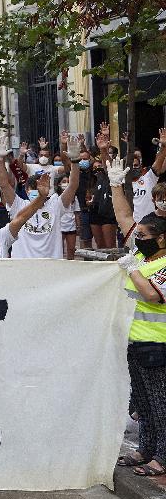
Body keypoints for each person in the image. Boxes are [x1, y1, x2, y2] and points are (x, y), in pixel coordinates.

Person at [108, 154, 166, 477]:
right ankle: (146, 449)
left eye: (144, 237)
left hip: (159, 347)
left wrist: (131, 270)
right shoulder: (142, 261)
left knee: (161, 405)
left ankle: (163, 456)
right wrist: (115, 184)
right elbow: (124, 218)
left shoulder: (158, 265)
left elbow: (151, 296)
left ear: (160, 238)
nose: (137, 240)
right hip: (136, 345)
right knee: (143, 407)